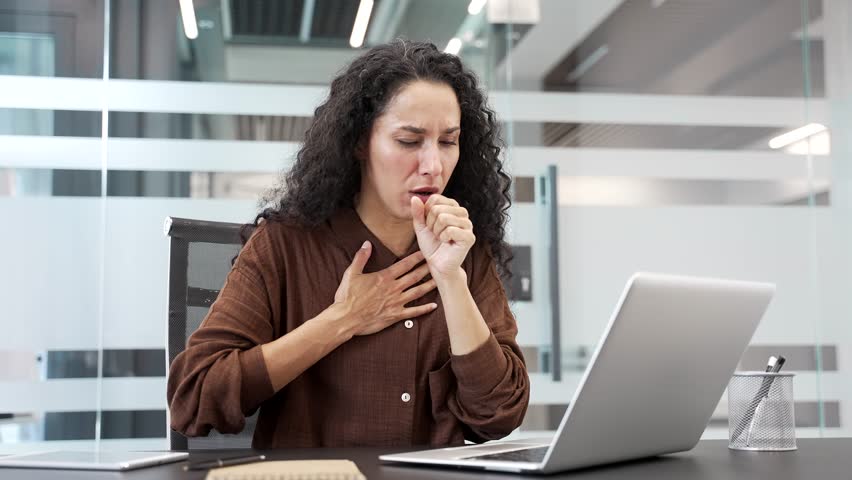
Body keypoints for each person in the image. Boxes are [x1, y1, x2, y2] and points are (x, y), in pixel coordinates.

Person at [167, 40, 530, 448]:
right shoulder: (286, 245)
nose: (433, 165)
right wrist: (342, 320)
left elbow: (499, 415)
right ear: (360, 143)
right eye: (409, 141)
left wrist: (451, 279)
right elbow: (193, 398)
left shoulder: (462, 253)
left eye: (448, 141)